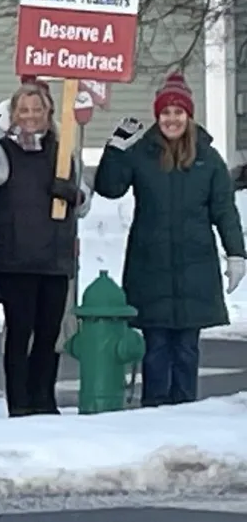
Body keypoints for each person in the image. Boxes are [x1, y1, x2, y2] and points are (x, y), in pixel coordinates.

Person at [92, 73, 247, 406]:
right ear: (157, 116)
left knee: (188, 349)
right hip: (151, 265)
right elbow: (109, 187)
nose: (172, 119)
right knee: (157, 347)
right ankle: (155, 410)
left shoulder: (208, 159)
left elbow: (224, 210)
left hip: (196, 266)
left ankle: (184, 410)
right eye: (166, 113)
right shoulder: (141, 153)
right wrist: (115, 149)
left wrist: (236, 253)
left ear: (188, 116)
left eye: (178, 112)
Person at [0, 82, 89, 416]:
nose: (30, 116)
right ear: (13, 115)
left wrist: (74, 195)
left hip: (54, 259)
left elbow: (83, 202)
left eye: (37, 109)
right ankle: (21, 403)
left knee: (49, 335)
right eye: (23, 110)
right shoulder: (0, 152)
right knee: (21, 333)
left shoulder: (62, 151)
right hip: (16, 259)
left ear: (48, 113)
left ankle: (45, 399)